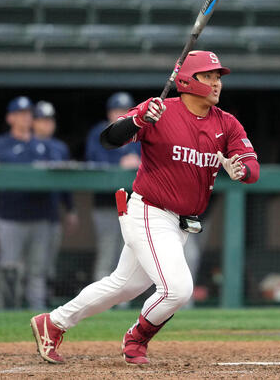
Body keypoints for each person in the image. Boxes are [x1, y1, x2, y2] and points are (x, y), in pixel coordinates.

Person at [31, 50, 260, 365]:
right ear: (187, 80)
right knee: (178, 289)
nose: (216, 83)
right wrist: (138, 119)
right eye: (208, 76)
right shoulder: (159, 110)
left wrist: (241, 171)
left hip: (179, 221)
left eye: (218, 76)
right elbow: (109, 140)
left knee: (122, 286)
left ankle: (53, 323)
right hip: (149, 210)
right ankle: (136, 339)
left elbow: (251, 165)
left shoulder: (226, 123)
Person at [0, 96, 54, 310]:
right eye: (20, 114)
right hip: (11, 215)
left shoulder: (43, 144)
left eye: (28, 114)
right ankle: (7, 312)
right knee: (9, 267)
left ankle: (37, 313)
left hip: (40, 215)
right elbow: (8, 162)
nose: (25, 118)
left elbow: (54, 168)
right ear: (10, 118)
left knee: (37, 270)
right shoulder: (2, 143)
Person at [85, 92, 142, 283]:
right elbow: (95, 161)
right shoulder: (99, 132)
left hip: (133, 205)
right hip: (106, 203)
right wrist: (120, 162)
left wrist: (138, 162)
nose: (121, 114)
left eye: (125, 110)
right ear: (110, 112)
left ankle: (123, 303)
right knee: (107, 253)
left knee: (128, 255)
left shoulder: (138, 132)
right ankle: (98, 302)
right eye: (117, 110)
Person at [32, 101, 79, 295]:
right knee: (25, 266)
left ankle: (39, 304)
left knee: (45, 266)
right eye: (42, 120)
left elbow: (65, 183)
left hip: (51, 214)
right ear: (33, 122)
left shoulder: (59, 147)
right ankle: (16, 306)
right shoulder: (27, 143)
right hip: (24, 213)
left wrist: (70, 209)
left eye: (49, 120)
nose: (46, 124)